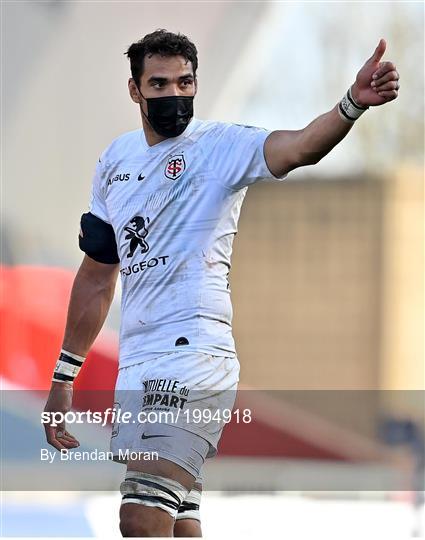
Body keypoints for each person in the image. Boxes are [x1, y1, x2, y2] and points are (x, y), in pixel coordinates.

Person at [43, 29, 400, 537]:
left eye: (184, 83)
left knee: (140, 514)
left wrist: (351, 105)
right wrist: (64, 376)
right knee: (178, 517)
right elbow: (97, 278)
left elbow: (299, 147)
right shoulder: (114, 163)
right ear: (134, 90)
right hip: (140, 358)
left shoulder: (219, 146)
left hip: (194, 353)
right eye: (159, 84)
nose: (174, 96)